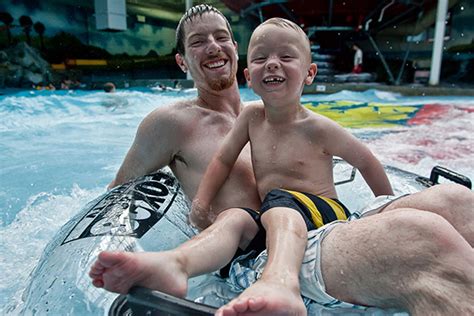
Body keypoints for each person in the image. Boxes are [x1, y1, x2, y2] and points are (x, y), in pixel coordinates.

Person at [89, 5, 474, 316]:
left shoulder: (270, 115)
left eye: (221, 36)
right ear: (181, 61)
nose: (212, 46)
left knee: (456, 202)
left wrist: (381, 207)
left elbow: (361, 161)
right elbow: (117, 195)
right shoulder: (172, 122)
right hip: (261, 252)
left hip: (323, 225)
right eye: (197, 41)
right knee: (421, 240)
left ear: (236, 51)